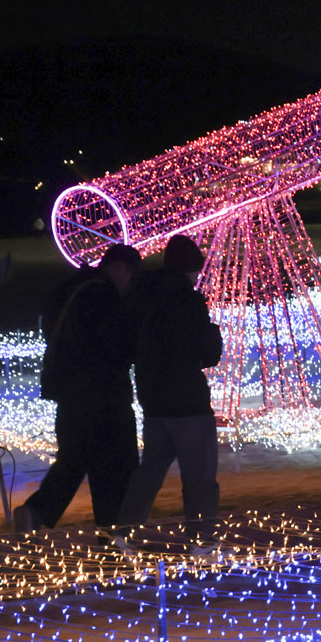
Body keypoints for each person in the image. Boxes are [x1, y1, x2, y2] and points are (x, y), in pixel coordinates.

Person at [16, 242, 142, 538]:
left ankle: (36, 512)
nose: (129, 285)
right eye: (131, 276)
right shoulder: (103, 296)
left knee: (73, 461)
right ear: (121, 268)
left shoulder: (69, 290)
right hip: (104, 397)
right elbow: (116, 347)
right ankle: (113, 534)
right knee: (114, 468)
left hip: (69, 396)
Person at [113, 235, 223, 553]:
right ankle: (202, 541)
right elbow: (207, 348)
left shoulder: (142, 296)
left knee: (150, 470)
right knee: (200, 476)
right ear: (189, 269)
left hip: (154, 398)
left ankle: (123, 531)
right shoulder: (188, 300)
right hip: (187, 400)